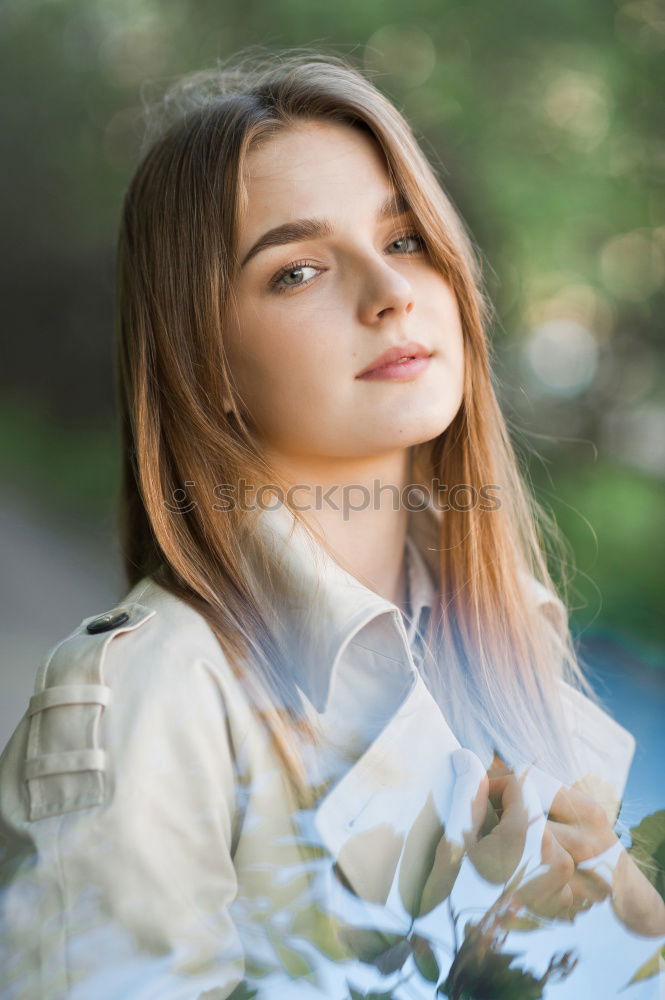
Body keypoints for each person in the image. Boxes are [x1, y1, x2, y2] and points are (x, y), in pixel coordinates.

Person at [1, 51, 663, 1000]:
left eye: (402, 241)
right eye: (298, 269)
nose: (389, 291)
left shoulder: (510, 618)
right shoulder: (154, 695)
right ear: (206, 362)